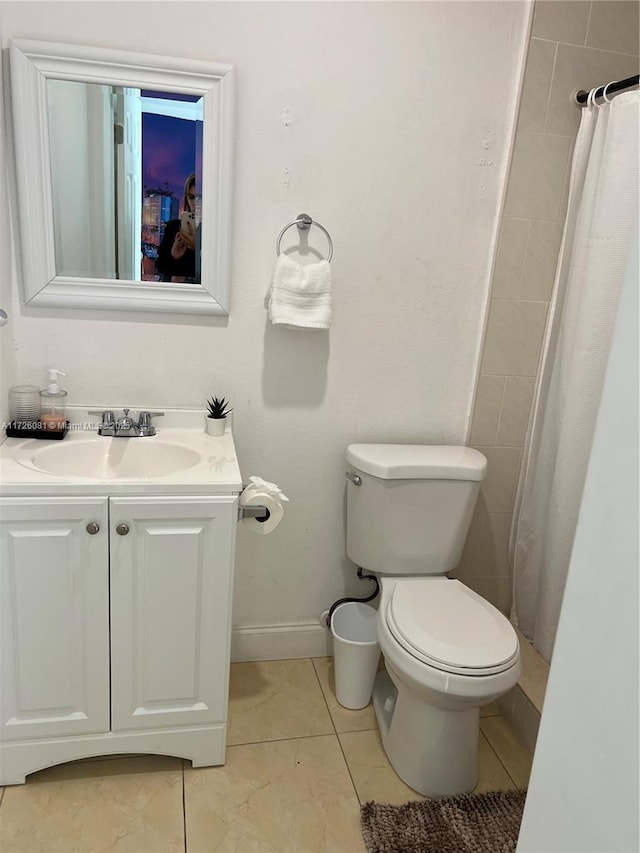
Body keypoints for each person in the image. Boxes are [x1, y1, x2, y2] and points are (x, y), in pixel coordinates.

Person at [156, 173, 198, 282]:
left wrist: (197, 249)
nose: (195, 203)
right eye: (191, 197)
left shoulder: (217, 234)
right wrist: (174, 256)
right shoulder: (173, 227)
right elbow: (160, 267)